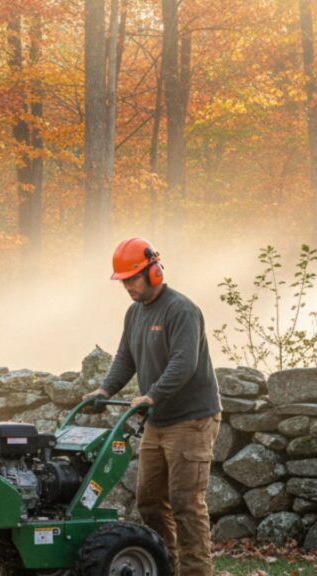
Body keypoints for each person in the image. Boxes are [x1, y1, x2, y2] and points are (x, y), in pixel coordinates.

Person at [83, 237, 222, 576]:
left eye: (132, 279)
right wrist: (104, 389)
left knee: (186, 504)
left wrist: (152, 395)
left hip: (192, 420)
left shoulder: (182, 310)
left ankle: (196, 572)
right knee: (148, 501)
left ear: (155, 271)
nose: (127, 286)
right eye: (124, 281)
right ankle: (166, 567)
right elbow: (125, 358)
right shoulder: (135, 314)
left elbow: (183, 362)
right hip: (157, 421)